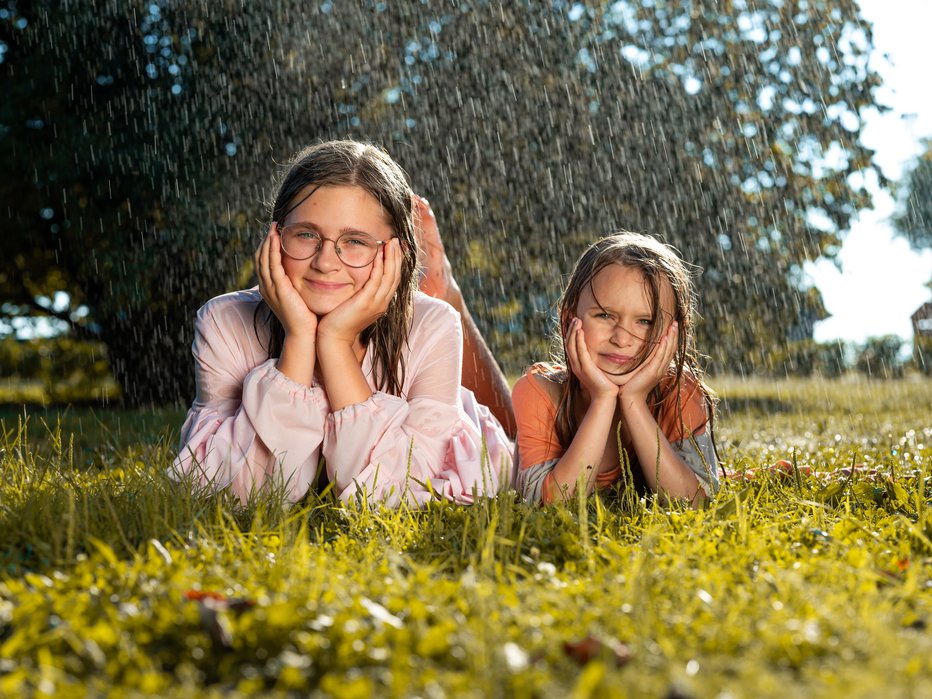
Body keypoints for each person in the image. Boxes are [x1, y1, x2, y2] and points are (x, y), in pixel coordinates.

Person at [172, 140, 515, 507]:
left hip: (464, 422)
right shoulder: (224, 321)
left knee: (517, 439)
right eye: (306, 234)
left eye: (354, 241)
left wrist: (335, 342)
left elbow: (386, 498)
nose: (325, 261)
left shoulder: (434, 325)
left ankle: (442, 285)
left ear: (395, 254)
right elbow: (239, 493)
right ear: (275, 236)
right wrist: (300, 337)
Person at [512, 232, 720, 507]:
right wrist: (603, 399)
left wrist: (633, 402)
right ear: (568, 318)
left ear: (674, 332)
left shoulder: (680, 393)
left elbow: (695, 502)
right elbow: (551, 506)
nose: (622, 339)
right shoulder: (541, 392)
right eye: (605, 315)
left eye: (645, 321)